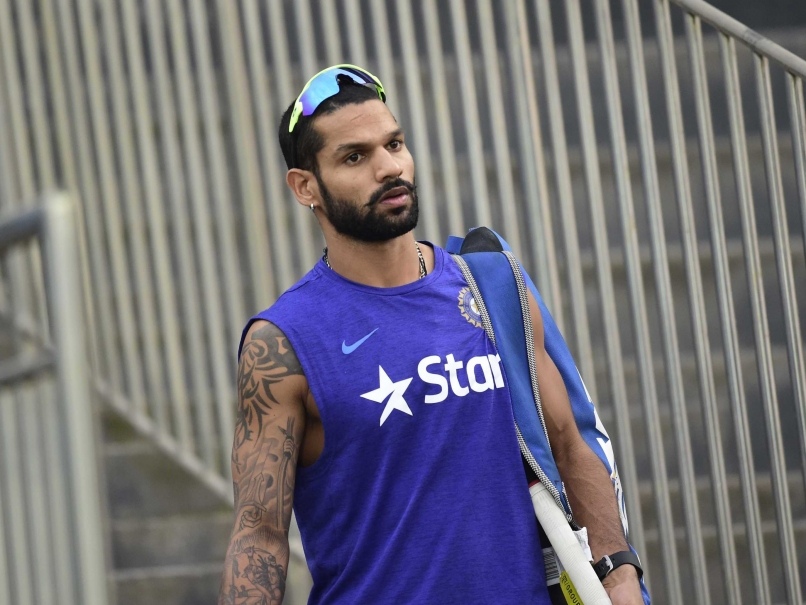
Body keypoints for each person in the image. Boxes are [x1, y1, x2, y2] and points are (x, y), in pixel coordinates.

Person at [219, 65, 644, 605]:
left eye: (394, 144)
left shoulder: (491, 285)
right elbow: (259, 535)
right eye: (355, 156)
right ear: (307, 187)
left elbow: (569, 443)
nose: (388, 167)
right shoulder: (282, 342)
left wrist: (618, 573)